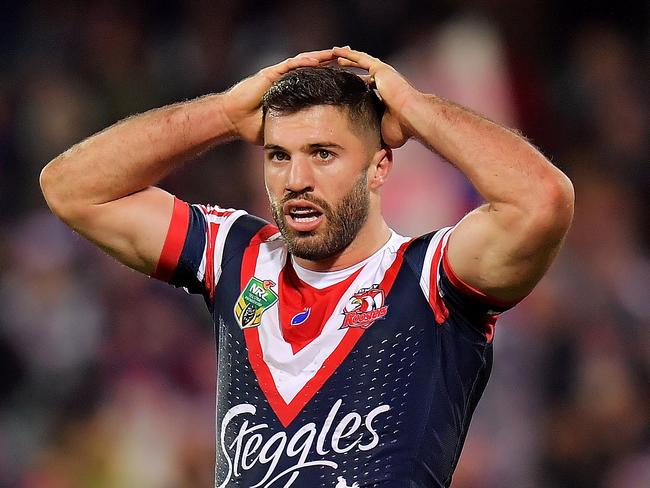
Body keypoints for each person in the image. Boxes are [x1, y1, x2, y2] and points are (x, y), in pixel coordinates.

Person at [40, 47, 574, 487]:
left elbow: (542, 200)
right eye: (279, 155)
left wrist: (413, 107)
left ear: (379, 166)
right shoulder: (236, 256)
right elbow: (72, 187)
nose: (297, 178)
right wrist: (224, 114)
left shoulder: (431, 279)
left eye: (323, 153)